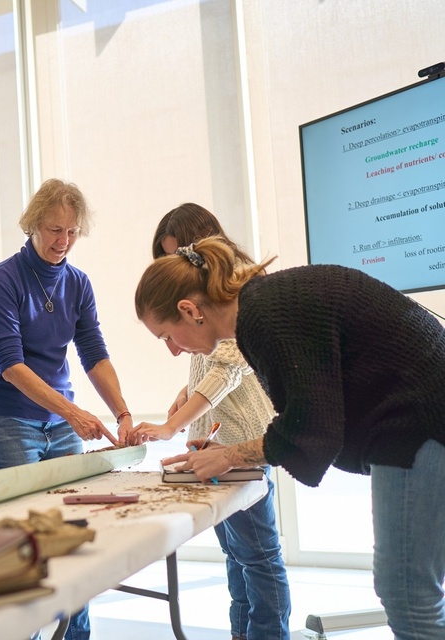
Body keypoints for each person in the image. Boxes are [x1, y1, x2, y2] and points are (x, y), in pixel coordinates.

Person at [134, 235, 445, 640]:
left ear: (189, 310)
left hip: (418, 423)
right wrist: (232, 452)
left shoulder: (263, 316)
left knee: (407, 594)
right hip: (418, 418)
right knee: (412, 590)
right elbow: (311, 414)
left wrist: (230, 457)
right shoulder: (262, 304)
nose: (174, 351)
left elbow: (311, 426)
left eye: (166, 337)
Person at [0, 178, 132, 640]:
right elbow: (11, 365)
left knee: (70, 533)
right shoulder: (2, 279)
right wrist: (75, 414)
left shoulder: (78, 283)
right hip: (7, 418)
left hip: (59, 420)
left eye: (72, 232)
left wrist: (121, 413)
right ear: (32, 225)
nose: (63, 242)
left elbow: (94, 354)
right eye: (54, 229)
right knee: (26, 542)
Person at [129, 203, 291, 640]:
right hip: (218, 446)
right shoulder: (208, 315)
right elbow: (208, 368)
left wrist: (169, 427)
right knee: (239, 558)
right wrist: (182, 400)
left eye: (179, 255)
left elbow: (227, 369)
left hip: (242, 445)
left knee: (258, 558)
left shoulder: (241, 301)